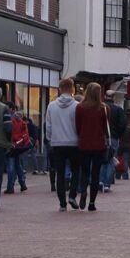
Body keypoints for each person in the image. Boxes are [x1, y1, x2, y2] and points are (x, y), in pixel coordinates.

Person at [46, 77, 81, 211]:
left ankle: (62, 203)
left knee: (59, 174)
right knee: (75, 170)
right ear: (72, 89)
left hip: (57, 143)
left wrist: (50, 139)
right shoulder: (77, 106)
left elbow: (48, 126)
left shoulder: (51, 106)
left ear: (60, 89)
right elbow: (79, 126)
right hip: (74, 143)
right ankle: (72, 195)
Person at [74, 83, 108, 211]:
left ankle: (83, 192)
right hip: (99, 144)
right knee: (95, 174)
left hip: (84, 144)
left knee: (85, 171)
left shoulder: (80, 107)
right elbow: (105, 128)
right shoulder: (103, 108)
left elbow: (77, 126)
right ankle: (92, 202)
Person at [100, 90, 126, 192]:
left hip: (101, 137)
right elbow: (123, 124)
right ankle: (107, 184)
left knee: (101, 160)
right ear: (114, 97)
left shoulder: (100, 108)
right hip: (113, 137)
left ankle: (100, 181)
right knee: (111, 160)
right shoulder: (118, 110)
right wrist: (118, 134)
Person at [4, 103, 28, 194]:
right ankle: (22, 184)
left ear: (11, 109)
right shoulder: (20, 120)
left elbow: (7, 131)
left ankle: (10, 187)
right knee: (18, 164)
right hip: (19, 145)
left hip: (11, 145)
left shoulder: (9, 119)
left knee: (10, 166)